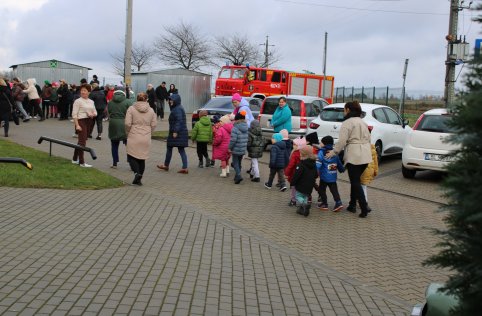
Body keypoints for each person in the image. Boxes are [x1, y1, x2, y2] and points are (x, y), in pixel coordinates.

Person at [325, 100, 372, 218]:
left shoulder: (347, 123)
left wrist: (334, 152)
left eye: (344, 110)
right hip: (366, 155)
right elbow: (369, 139)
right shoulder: (363, 122)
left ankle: (364, 206)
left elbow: (342, 141)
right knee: (355, 180)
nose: (343, 112)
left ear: (348, 110)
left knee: (355, 181)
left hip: (354, 155)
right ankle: (352, 205)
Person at [125, 92, 157, 186]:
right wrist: (149, 131)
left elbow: (127, 123)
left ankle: (136, 173)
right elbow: (154, 124)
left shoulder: (131, 108)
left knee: (131, 156)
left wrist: (128, 132)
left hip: (134, 134)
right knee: (142, 158)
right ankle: (139, 179)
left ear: (137, 99)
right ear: (146, 99)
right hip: (146, 135)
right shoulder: (151, 110)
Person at [157, 94, 189, 174]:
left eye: (171, 100)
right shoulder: (177, 108)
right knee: (177, 149)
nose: (170, 101)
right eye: (169, 100)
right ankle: (183, 167)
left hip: (177, 132)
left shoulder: (177, 109)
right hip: (179, 132)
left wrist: (175, 131)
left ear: (176, 100)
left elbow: (179, 121)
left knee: (173, 148)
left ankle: (167, 165)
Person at [316, 135, 345, 212]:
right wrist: (342, 169)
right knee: (334, 190)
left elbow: (318, 163)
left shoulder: (321, 152)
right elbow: (338, 162)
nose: (320, 143)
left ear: (324, 144)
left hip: (324, 176)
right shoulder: (334, 152)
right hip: (333, 175)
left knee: (321, 190)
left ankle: (324, 204)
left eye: (321, 142)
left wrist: (315, 171)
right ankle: (338, 202)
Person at [72, 83, 97, 167]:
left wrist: (93, 114)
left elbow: (95, 112)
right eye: (81, 90)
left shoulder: (91, 101)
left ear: (89, 92)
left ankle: (74, 159)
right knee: (82, 142)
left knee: (81, 141)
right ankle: (81, 162)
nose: (82, 92)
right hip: (81, 121)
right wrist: (77, 125)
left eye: (85, 90)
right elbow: (74, 114)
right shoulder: (78, 101)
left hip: (89, 121)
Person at [291, 145, 318, 217]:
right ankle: (302, 209)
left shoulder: (301, 164)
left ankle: (304, 205)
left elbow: (296, 175)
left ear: (303, 154)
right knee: (305, 196)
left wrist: (292, 182)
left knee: (298, 196)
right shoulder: (314, 163)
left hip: (301, 184)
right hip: (310, 185)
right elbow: (316, 174)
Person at [108, 89, 131, 168]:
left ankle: (115, 163)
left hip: (113, 124)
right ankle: (131, 163)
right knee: (129, 145)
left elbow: (109, 111)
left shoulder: (110, 102)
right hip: (125, 123)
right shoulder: (128, 102)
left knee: (114, 145)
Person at [285, 137, 307, 206]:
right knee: (302, 188)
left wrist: (286, 173)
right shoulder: (306, 153)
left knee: (294, 188)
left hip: (295, 174)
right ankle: (305, 201)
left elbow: (291, 165)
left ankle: (293, 200)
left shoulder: (295, 154)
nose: (293, 146)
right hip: (304, 175)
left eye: (295, 144)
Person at [360, 141, 378, 212]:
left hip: (363, 170)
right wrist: (376, 171)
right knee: (362, 186)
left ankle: (365, 202)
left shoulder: (361, 147)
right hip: (370, 170)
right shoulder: (373, 148)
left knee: (361, 186)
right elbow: (376, 161)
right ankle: (359, 201)